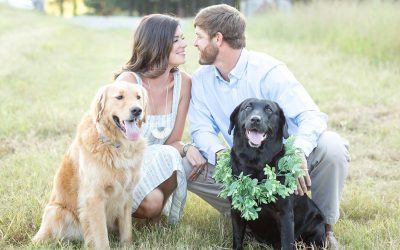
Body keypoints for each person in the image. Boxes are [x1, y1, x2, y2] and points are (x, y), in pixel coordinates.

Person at [184, 4, 350, 248]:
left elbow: (311, 116)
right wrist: (219, 154)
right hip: (239, 167)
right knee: (186, 163)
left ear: (218, 39)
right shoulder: (200, 80)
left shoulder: (269, 70)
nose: (194, 43)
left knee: (333, 146)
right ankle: (251, 217)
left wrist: (299, 153)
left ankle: (324, 230)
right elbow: (201, 130)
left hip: (283, 167)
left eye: (198, 37)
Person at [114, 14, 204, 224]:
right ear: (156, 44)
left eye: (182, 38)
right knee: (151, 202)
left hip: (158, 164)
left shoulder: (184, 83)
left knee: (174, 156)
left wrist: (187, 148)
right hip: (125, 166)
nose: (184, 44)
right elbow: (112, 143)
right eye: (176, 40)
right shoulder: (128, 82)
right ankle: (119, 211)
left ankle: (151, 215)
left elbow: (173, 141)